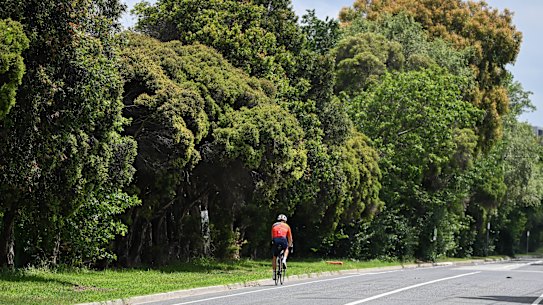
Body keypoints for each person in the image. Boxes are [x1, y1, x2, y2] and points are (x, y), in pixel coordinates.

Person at [271, 214, 293, 280]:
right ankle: (284, 260)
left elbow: (272, 236)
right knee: (286, 249)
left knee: (274, 256)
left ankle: (274, 273)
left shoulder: (274, 225)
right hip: (283, 239)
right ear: (285, 220)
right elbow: (290, 238)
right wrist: (290, 245)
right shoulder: (287, 226)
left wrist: (273, 242)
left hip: (276, 240)